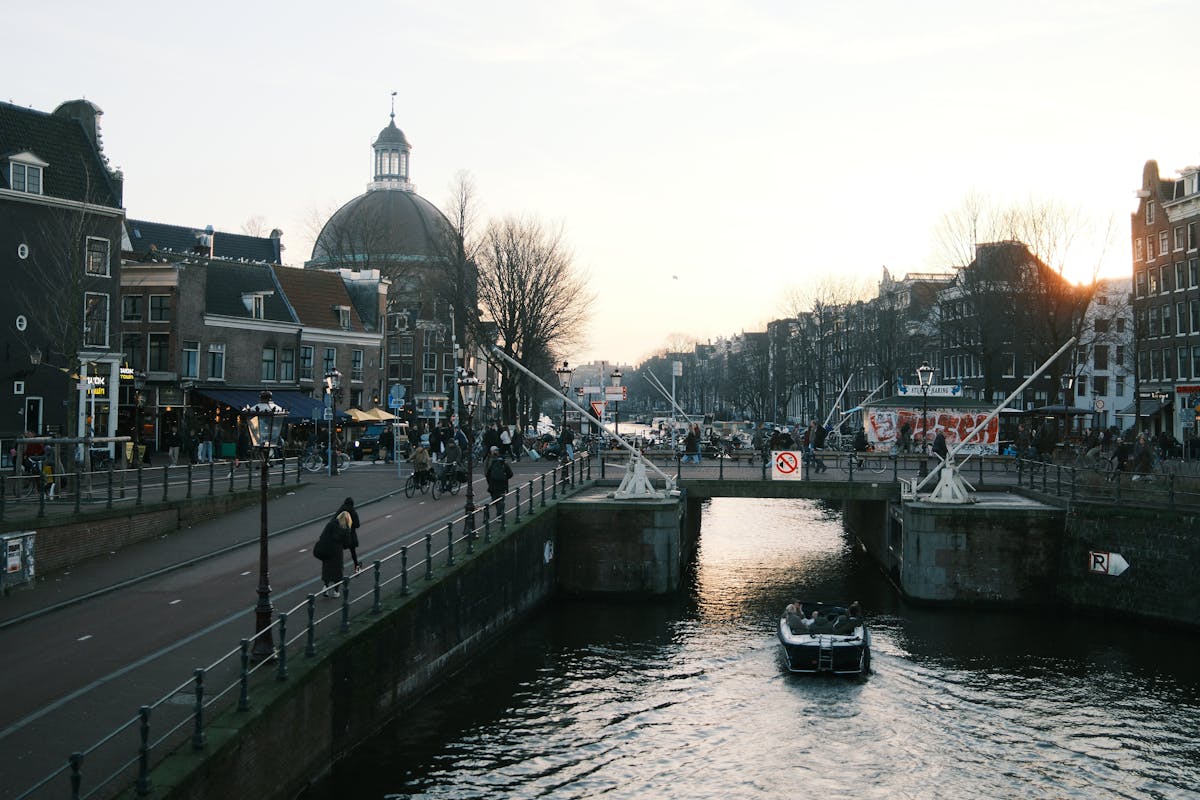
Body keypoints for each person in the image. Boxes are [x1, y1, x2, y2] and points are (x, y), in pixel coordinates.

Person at [316, 510, 358, 598]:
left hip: (327, 549)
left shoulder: (330, 524)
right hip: (337, 552)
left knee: (327, 568)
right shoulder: (346, 529)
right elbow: (347, 544)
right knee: (337, 571)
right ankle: (336, 591)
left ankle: (325, 587)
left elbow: (322, 536)